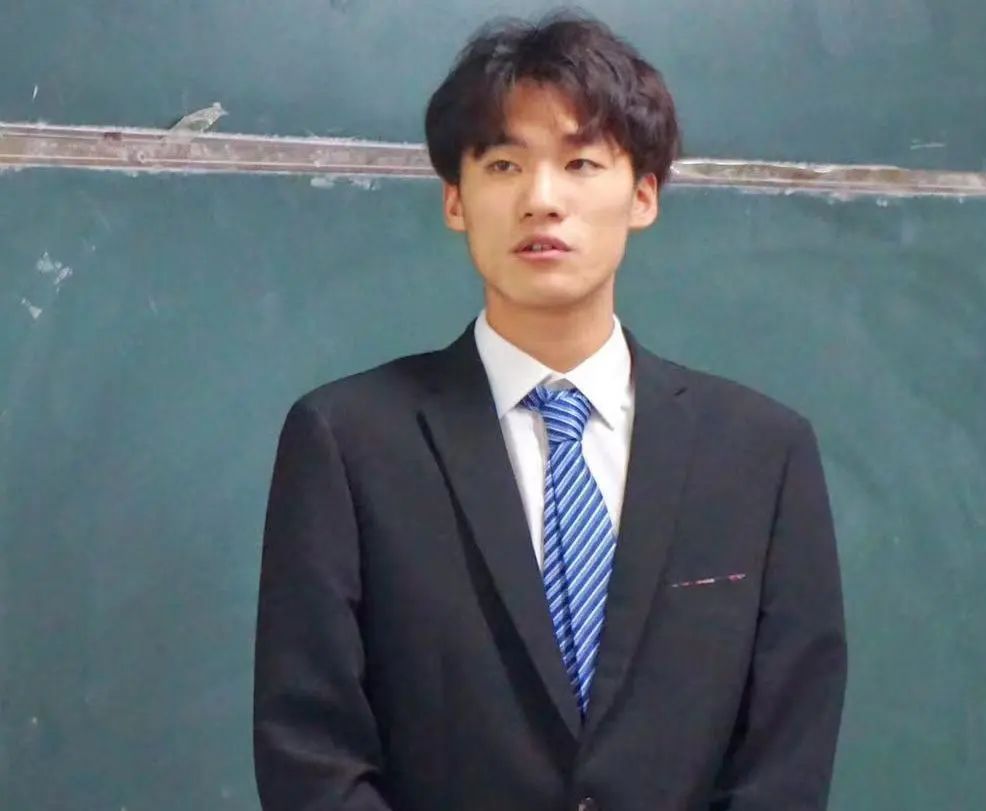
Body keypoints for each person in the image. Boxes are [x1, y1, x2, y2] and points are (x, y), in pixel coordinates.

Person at [253, 11, 846, 811]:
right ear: (455, 200)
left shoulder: (762, 455)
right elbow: (311, 755)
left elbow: (785, 760)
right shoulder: (348, 442)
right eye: (504, 164)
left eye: (580, 163)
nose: (541, 199)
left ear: (643, 195)